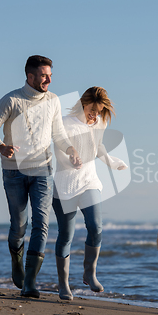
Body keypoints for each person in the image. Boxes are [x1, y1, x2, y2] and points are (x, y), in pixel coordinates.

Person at [0, 55, 82, 298]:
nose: (48, 79)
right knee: (19, 225)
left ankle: (30, 283)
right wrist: (1, 147)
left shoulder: (53, 100)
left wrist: (70, 150)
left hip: (43, 170)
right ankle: (17, 262)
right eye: (44, 75)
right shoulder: (12, 100)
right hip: (13, 171)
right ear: (30, 76)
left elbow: (57, 133)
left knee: (41, 224)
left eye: (50, 75)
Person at [52, 87, 128, 301]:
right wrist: (70, 160)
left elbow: (98, 146)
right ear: (83, 103)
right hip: (65, 185)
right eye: (92, 109)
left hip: (89, 181)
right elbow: (58, 149)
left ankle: (89, 272)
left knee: (96, 227)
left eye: (99, 110)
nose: (94, 114)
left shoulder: (99, 123)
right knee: (66, 235)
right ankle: (63, 284)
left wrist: (111, 162)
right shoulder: (65, 122)